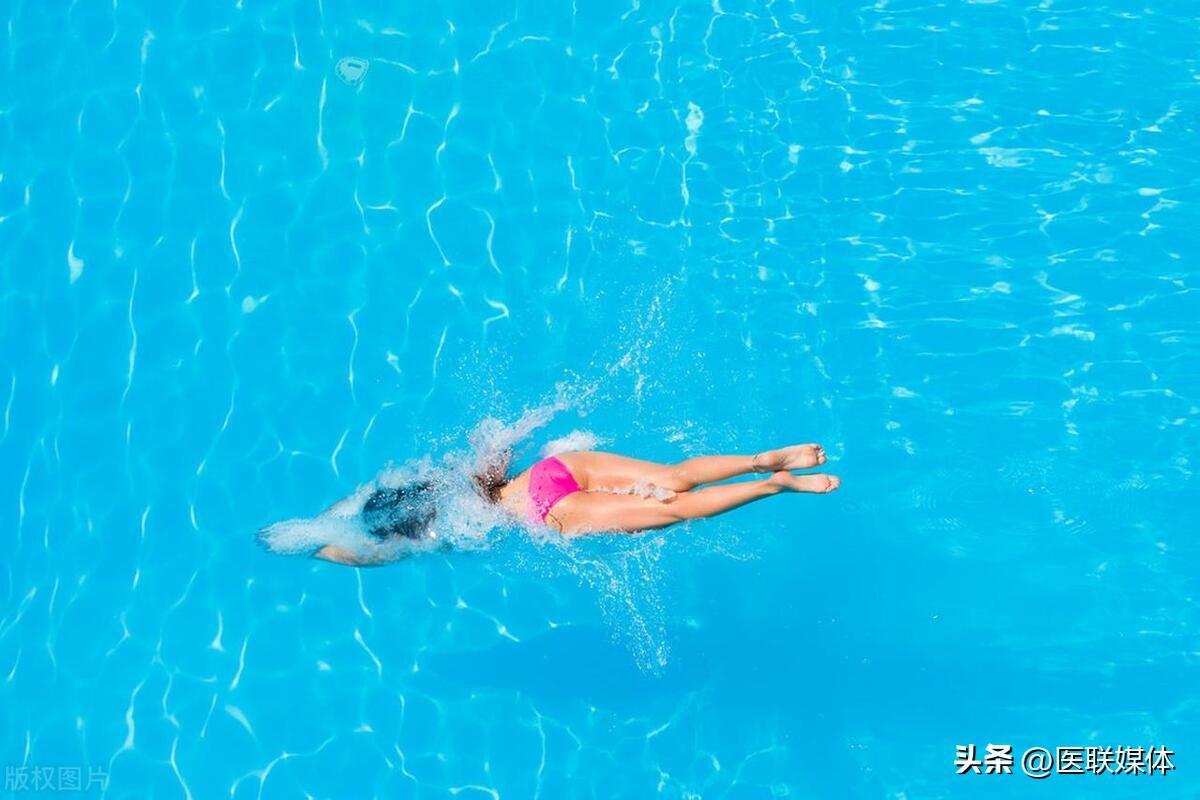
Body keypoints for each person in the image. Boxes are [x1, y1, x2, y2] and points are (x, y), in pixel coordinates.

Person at [313, 444, 838, 566]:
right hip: (554, 471)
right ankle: (758, 460)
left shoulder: (434, 535)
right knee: (672, 477)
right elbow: (499, 448)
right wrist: (352, 503)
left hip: (551, 511)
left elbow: (358, 555)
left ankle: (775, 486)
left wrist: (313, 546)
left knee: (678, 509)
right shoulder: (461, 480)